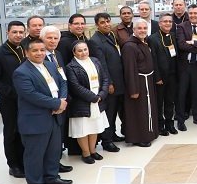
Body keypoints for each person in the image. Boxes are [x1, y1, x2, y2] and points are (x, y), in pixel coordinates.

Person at [13, 39, 70, 184]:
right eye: (35, 50)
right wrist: (57, 103)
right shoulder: (21, 72)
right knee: (35, 155)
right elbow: (31, 95)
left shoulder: (50, 65)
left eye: (42, 50)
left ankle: (51, 177)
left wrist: (62, 101)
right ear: (26, 53)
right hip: (36, 121)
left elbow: (62, 82)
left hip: (54, 118)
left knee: (53, 151)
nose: (39, 53)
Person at [0, 21, 28, 178]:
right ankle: (13, 165)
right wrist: (11, 92)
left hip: (26, 100)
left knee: (23, 131)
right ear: (8, 33)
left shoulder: (24, 49)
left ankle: (23, 160)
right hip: (9, 101)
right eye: (15, 32)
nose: (18, 35)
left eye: (21, 32)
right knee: (11, 132)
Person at [65, 41, 109, 164]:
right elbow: (75, 86)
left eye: (85, 49)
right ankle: (86, 153)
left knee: (94, 127)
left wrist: (101, 95)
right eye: (80, 50)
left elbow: (105, 78)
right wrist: (92, 97)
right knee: (83, 129)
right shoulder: (71, 67)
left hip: (97, 101)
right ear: (74, 52)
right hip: (82, 103)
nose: (83, 52)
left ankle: (93, 150)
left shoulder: (95, 61)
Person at [90, 13, 125, 152]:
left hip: (119, 79)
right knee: (109, 113)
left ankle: (113, 134)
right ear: (97, 25)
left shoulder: (111, 35)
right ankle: (107, 141)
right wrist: (108, 83)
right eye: (103, 22)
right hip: (110, 83)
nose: (106, 24)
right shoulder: (95, 41)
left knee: (115, 110)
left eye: (108, 21)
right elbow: (101, 65)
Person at [40, 26, 74, 172]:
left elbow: (63, 79)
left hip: (62, 101)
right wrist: (55, 102)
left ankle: (56, 162)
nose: (53, 41)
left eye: (55, 38)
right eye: (49, 38)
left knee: (58, 136)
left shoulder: (57, 54)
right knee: (47, 138)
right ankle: (48, 166)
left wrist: (63, 99)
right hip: (47, 104)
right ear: (42, 39)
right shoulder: (39, 57)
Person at [122, 19, 159, 147]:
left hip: (147, 81)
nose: (142, 30)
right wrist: (134, 90)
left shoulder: (143, 42)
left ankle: (149, 133)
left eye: (144, 28)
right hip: (138, 83)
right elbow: (129, 69)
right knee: (138, 111)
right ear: (134, 30)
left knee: (146, 109)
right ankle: (139, 137)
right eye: (140, 28)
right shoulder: (129, 46)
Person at [175, 4, 197, 131]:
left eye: (195, 13)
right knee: (181, 93)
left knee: (196, 93)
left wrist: (194, 43)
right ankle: (180, 120)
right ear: (188, 14)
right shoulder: (181, 27)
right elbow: (182, 45)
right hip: (184, 66)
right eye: (191, 13)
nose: (193, 15)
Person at [149, 13, 178, 136]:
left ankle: (169, 123)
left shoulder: (172, 36)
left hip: (172, 75)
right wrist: (157, 77)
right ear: (159, 23)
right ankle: (160, 125)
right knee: (159, 102)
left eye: (170, 22)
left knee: (170, 101)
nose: (167, 24)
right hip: (160, 77)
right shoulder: (152, 38)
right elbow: (153, 60)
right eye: (165, 21)